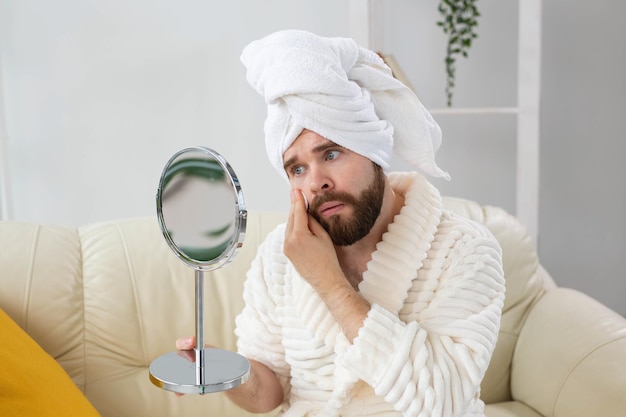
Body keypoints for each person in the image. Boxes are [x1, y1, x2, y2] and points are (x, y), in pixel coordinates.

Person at [177, 29, 505, 417]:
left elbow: (443, 401)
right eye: (297, 168)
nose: (316, 182)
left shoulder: (464, 251)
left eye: (331, 153)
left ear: (374, 151)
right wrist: (227, 373)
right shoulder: (278, 258)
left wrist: (329, 284)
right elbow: (270, 394)